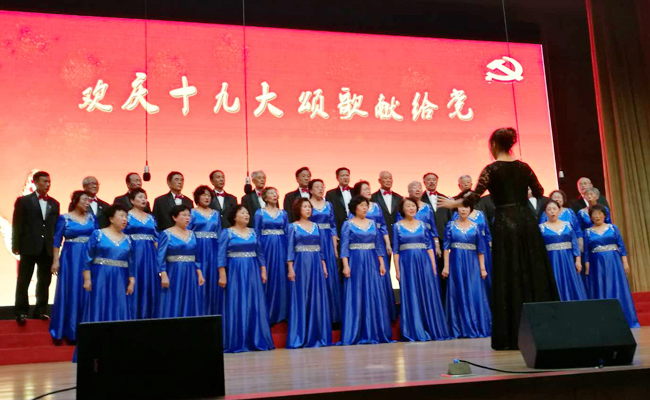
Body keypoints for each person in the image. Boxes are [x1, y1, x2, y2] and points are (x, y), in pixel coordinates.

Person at [439, 127, 558, 350]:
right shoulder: (524, 167)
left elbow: (475, 195)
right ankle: (544, 329)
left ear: (494, 145)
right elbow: (539, 191)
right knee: (533, 271)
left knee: (509, 273)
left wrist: (455, 203)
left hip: (505, 223)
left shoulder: (491, 169)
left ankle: (512, 334)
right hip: (526, 223)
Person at [218, 205, 275, 353]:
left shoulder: (253, 232)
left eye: (247, 213)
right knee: (237, 301)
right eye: (242, 213)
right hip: (235, 271)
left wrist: (263, 270)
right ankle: (238, 340)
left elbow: (260, 253)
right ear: (234, 217)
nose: (246, 215)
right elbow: (221, 255)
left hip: (252, 270)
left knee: (254, 301)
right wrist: (222, 274)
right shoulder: (227, 233)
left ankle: (256, 338)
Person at [393, 197, 450, 342]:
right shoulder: (397, 226)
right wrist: (397, 271)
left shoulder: (423, 226)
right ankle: (414, 329)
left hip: (424, 262)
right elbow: (396, 251)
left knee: (427, 293)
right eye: (408, 206)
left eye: (413, 206)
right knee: (411, 294)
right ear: (402, 209)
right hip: (407, 264)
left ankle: (430, 327)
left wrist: (433, 266)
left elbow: (429, 247)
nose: (411, 208)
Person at [339, 196, 393, 345]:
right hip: (355, 261)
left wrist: (382, 263)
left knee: (373, 292)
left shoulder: (373, 224)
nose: (365, 208)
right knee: (357, 293)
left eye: (366, 205)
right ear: (355, 207)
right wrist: (345, 265)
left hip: (372, 260)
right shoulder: (347, 224)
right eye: (362, 205)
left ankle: (375, 330)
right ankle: (356, 331)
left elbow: (378, 245)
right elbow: (344, 246)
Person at [12, 171, 60, 325]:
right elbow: (17, 223)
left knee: (44, 282)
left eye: (49, 181)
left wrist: (55, 248)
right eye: (44, 181)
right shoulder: (23, 201)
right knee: (24, 280)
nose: (47, 184)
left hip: (47, 248)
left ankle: (40, 311)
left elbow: (55, 227)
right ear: (36, 182)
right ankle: (21, 311)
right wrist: (16, 245)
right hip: (28, 246)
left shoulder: (54, 203)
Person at [50, 191, 96, 341]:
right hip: (71, 258)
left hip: (89, 257)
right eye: (84, 200)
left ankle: (86, 329)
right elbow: (57, 240)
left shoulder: (92, 218)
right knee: (71, 288)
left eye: (89, 200)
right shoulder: (65, 218)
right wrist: (56, 260)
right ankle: (69, 330)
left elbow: (97, 237)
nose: (88, 203)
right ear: (76, 201)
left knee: (87, 290)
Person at [286, 198, 332, 349]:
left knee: (316, 297)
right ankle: (301, 335)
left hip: (316, 264)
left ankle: (318, 334)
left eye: (309, 207)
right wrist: (290, 268)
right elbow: (290, 249)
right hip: (300, 264)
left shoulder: (316, 226)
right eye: (305, 206)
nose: (308, 209)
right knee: (302, 297)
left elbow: (321, 248)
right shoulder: (292, 227)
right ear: (298, 209)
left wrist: (324, 266)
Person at [583, 204, 639, 328]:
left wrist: (625, 262)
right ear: (590, 217)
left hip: (614, 262)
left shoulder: (613, 228)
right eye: (594, 214)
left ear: (604, 215)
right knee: (600, 287)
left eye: (599, 213)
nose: (597, 216)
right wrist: (587, 266)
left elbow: (621, 246)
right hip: (597, 264)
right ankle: (605, 320)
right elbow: (586, 251)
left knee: (617, 286)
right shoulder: (587, 232)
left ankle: (623, 319)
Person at [442, 199, 491, 338]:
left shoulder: (476, 227)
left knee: (474, 291)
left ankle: (476, 325)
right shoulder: (450, 226)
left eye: (466, 207)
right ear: (457, 209)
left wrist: (482, 268)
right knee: (458, 291)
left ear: (470, 209)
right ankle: (458, 328)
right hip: (456, 262)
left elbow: (480, 250)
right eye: (461, 207)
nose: (463, 210)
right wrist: (446, 267)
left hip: (473, 263)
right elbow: (446, 248)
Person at [350, 181, 397, 322]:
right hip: (363, 244)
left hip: (378, 242)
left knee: (382, 274)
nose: (369, 191)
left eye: (369, 188)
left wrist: (387, 243)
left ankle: (385, 310)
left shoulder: (376, 206)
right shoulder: (355, 209)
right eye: (365, 189)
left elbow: (383, 226)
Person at [81, 204, 135, 323]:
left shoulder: (128, 239)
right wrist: (87, 279)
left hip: (121, 277)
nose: (124, 219)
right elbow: (87, 257)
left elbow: (131, 262)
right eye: (121, 216)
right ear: (111, 219)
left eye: (126, 217)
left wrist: (132, 281)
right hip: (100, 275)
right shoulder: (98, 234)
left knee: (119, 304)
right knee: (99, 303)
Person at [157, 205, 205, 318]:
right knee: (174, 299)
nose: (187, 218)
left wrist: (199, 273)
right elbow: (160, 256)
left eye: (189, 215)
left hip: (191, 272)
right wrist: (163, 274)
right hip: (174, 271)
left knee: (190, 300)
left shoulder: (193, 234)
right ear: (174, 217)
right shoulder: (166, 234)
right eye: (184, 215)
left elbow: (197, 256)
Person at [254, 187, 290, 324]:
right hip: (266, 247)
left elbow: (287, 232)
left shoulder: (283, 213)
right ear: (264, 197)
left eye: (275, 193)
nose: (274, 195)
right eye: (271, 193)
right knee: (268, 275)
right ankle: (267, 313)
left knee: (281, 276)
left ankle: (282, 313)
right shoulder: (259, 213)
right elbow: (256, 233)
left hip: (281, 246)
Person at [308, 179, 342, 324]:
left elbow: (333, 226)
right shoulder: (307, 204)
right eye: (317, 187)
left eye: (322, 187)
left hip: (327, 241)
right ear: (310, 190)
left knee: (331, 273)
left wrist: (334, 247)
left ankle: (333, 315)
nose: (320, 189)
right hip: (313, 240)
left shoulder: (328, 205)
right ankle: (317, 315)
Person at [539, 200, 586, 301]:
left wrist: (578, 260)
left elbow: (574, 243)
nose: (552, 211)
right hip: (552, 259)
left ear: (559, 210)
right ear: (545, 212)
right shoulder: (541, 228)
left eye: (554, 209)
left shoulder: (567, 225)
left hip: (568, 258)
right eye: (549, 209)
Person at [124, 188, 159, 319]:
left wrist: (159, 256)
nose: (143, 200)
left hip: (149, 254)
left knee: (149, 281)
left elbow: (156, 237)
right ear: (132, 200)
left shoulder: (151, 217)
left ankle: (148, 315)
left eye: (144, 197)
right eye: (140, 197)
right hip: (133, 251)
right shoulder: (127, 216)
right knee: (134, 279)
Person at [189, 186, 223, 316]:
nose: (207, 197)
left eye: (209, 195)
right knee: (199, 278)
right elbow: (188, 232)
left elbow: (219, 233)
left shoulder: (216, 214)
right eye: (203, 195)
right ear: (197, 197)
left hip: (213, 248)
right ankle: (198, 313)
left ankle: (213, 313)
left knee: (213, 278)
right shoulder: (192, 212)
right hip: (198, 248)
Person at [421, 172, 452, 302]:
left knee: (444, 272)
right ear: (424, 182)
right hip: (425, 242)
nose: (431, 182)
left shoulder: (445, 199)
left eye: (434, 179)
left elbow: (450, 220)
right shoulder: (419, 201)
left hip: (444, 241)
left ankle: (444, 302)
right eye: (428, 180)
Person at [451, 204, 492, 298]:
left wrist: (490, 244)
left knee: (481, 275)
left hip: (482, 248)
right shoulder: (456, 215)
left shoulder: (481, 214)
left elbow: (487, 231)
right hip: (462, 252)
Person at [397, 182, 442, 257]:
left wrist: (437, 245)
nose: (418, 190)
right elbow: (398, 228)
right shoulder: (403, 208)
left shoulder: (428, 207)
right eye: (415, 188)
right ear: (409, 191)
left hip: (428, 242)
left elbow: (433, 228)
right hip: (409, 243)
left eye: (419, 188)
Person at [371, 171, 403, 238]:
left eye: (390, 178)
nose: (388, 180)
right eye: (385, 178)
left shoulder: (399, 198)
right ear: (379, 181)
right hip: (379, 234)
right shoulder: (373, 198)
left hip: (396, 234)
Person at [325, 167, 352, 236]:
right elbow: (329, 213)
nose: (345, 177)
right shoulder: (331, 194)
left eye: (347, 175)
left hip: (355, 227)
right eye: (342, 175)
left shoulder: (355, 192)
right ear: (337, 178)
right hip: (338, 227)